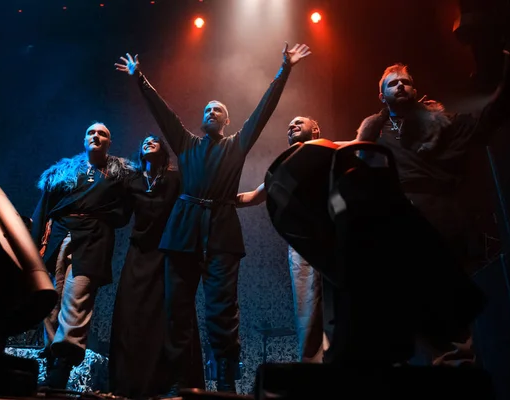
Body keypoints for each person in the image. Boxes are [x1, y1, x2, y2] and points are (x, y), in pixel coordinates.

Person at [115, 43, 311, 393]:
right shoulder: (186, 144)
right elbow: (164, 114)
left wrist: (284, 70)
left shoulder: (236, 144)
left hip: (221, 230)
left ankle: (224, 381)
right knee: (176, 307)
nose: (210, 111)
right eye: (206, 109)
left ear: (227, 120)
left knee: (221, 310)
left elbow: (263, 112)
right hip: (183, 229)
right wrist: (140, 79)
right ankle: (178, 379)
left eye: (217, 109)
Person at [354, 38, 510, 365]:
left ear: (415, 89)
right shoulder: (374, 138)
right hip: (402, 232)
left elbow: (490, 114)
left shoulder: (444, 123)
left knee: (461, 310)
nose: (400, 86)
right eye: (392, 83)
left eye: (405, 82)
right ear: (382, 96)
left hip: (446, 223)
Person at [237, 116, 349, 363]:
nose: (292, 126)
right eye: (289, 125)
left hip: (338, 242)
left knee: (341, 306)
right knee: (307, 310)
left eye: (299, 122)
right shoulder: (286, 166)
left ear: (315, 129)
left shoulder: (329, 148)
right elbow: (254, 197)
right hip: (304, 247)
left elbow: (357, 143)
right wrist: (215, 198)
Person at [31, 122, 134, 389]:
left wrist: (102, 219)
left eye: (102, 134)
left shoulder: (120, 174)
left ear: (109, 143)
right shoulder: (62, 173)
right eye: (91, 132)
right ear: (84, 139)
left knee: (77, 298)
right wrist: (33, 245)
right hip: (59, 235)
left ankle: (62, 367)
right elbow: (43, 210)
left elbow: (125, 211)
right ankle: (52, 361)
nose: (96, 136)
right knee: (51, 302)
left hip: (93, 238)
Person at [109, 135, 205, 398]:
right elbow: (120, 216)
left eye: (155, 140)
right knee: (131, 313)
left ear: (164, 149)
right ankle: (128, 383)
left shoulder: (175, 179)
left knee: (171, 315)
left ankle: (175, 380)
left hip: (168, 254)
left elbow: (189, 210)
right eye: (145, 140)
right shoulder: (133, 181)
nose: (148, 142)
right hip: (139, 254)